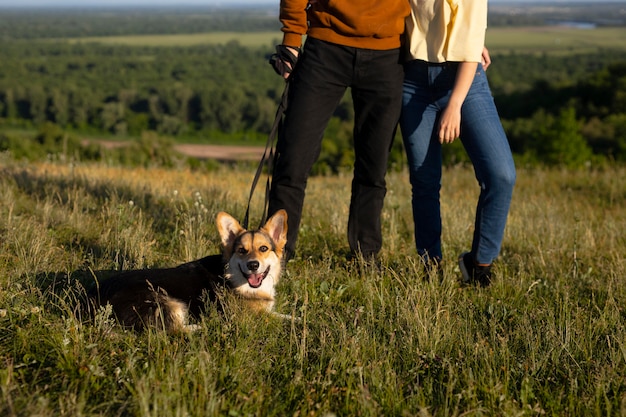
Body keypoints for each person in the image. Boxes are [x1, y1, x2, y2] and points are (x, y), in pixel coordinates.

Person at [267, 0, 411, 261]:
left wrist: (466, 43)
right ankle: (276, 254)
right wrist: (291, 38)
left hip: (389, 53)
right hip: (325, 48)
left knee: (374, 166)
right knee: (293, 158)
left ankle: (365, 256)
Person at [399, 0, 516, 286]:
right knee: (424, 181)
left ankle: (479, 263)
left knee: (501, 175)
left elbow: (470, 38)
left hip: (464, 78)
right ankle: (430, 267)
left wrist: (454, 105)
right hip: (412, 80)